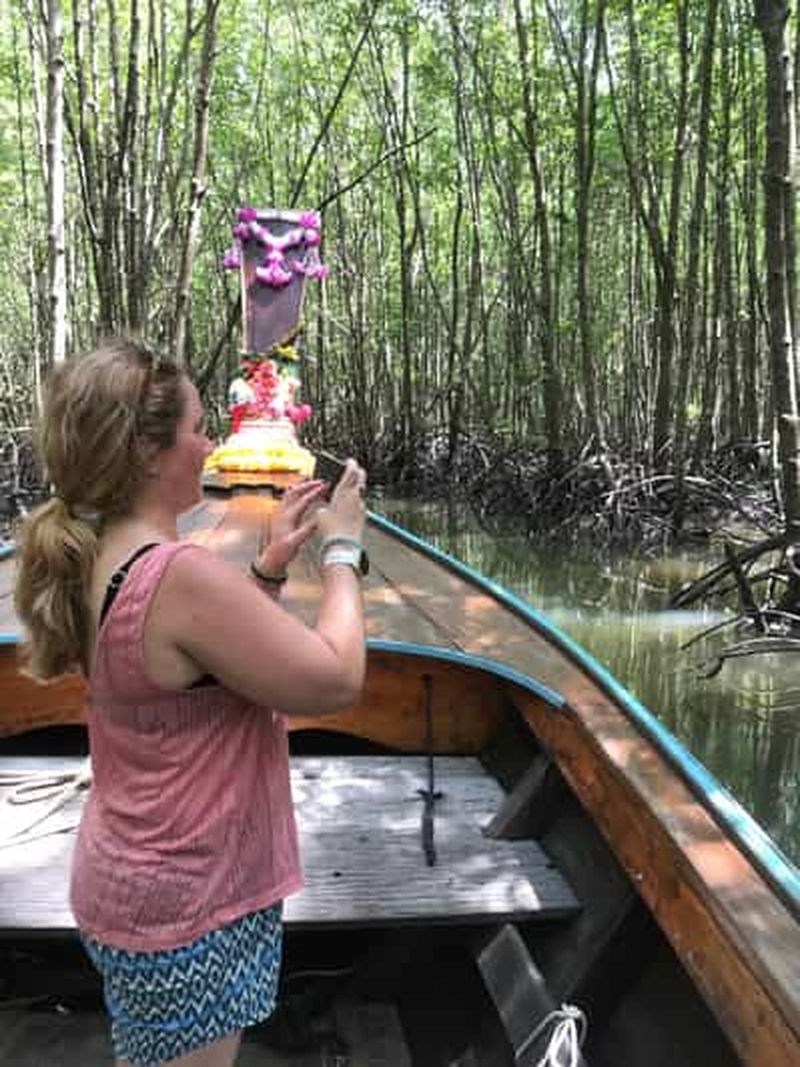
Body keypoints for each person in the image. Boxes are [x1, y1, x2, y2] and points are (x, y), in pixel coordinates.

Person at [13, 338, 368, 1067]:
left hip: (135, 885)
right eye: (199, 429)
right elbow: (336, 679)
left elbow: (179, 670)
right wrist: (342, 551)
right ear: (149, 452)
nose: (210, 446)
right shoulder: (178, 575)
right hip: (188, 905)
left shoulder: (101, 553)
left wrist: (266, 571)